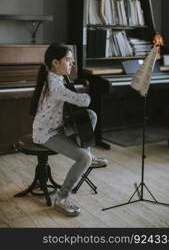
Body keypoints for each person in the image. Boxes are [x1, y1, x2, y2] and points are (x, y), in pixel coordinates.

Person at [30, 43, 107, 217]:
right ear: (55, 62)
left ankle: (87, 154)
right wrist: (87, 95)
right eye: (68, 60)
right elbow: (83, 100)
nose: (71, 64)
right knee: (84, 157)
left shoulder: (57, 76)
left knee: (91, 116)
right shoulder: (55, 85)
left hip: (58, 126)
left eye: (72, 61)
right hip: (46, 134)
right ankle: (62, 198)